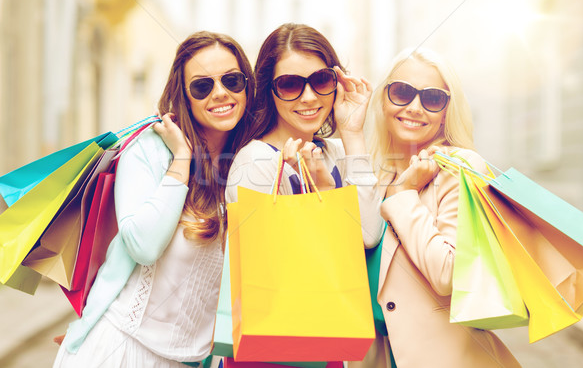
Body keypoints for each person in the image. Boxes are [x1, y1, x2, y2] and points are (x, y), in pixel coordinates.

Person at [53, 31, 256, 367]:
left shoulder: (250, 162)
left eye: (232, 80)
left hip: (191, 360)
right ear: (184, 95)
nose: (220, 93)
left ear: (247, 86)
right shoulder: (149, 151)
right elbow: (143, 246)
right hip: (120, 349)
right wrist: (182, 159)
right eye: (202, 86)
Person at [356, 46, 520, 367]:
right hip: (380, 356)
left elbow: (447, 273)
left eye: (432, 98)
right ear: (383, 100)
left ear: (447, 110)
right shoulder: (376, 172)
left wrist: (404, 193)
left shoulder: (460, 167)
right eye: (401, 92)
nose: (414, 107)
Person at [226, 23, 382, 249]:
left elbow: (369, 234)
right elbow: (270, 263)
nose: (309, 97)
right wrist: (318, 194)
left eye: (321, 80)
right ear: (269, 90)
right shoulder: (255, 163)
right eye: (290, 85)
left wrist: (353, 133)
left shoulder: (339, 151)